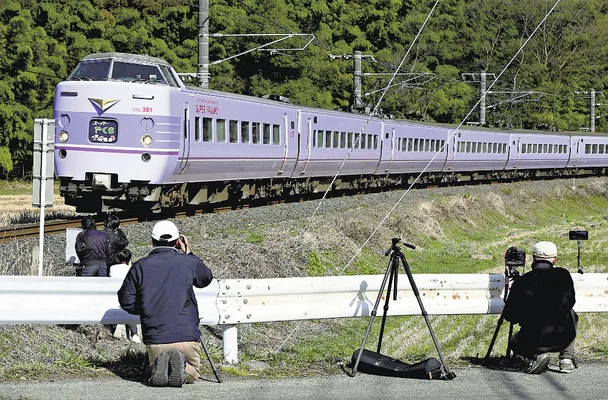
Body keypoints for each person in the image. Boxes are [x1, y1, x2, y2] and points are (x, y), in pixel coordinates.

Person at [117, 220, 213, 387]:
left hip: (156, 338)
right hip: (186, 335)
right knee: (192, 374)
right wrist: (189, 253)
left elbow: (126, 302)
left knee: (155, 368)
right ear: (178, 242)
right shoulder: (188, 262)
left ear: (153, 242)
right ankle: (182, 367)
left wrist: (146, 308)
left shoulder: (140, 266)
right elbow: (205, 279)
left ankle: (159, 367)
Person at [503, 241, 578, 374]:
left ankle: (537, 356)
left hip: (533, 339)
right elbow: (571, 301)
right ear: (555, 259)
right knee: (571, 313)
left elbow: (510, 316)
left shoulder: (523, 281)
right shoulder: (563, 275)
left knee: (513, 342)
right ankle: (566, 359)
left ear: (532, 258)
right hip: (564, 337)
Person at [109, 248, 140, 343]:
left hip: (114, 295)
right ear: (129, 259)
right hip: (128, 296)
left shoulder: (112, 268)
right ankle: (134, 333)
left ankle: (115, 327)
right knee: (130, 310)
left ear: (118, 258)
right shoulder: (132, 268)